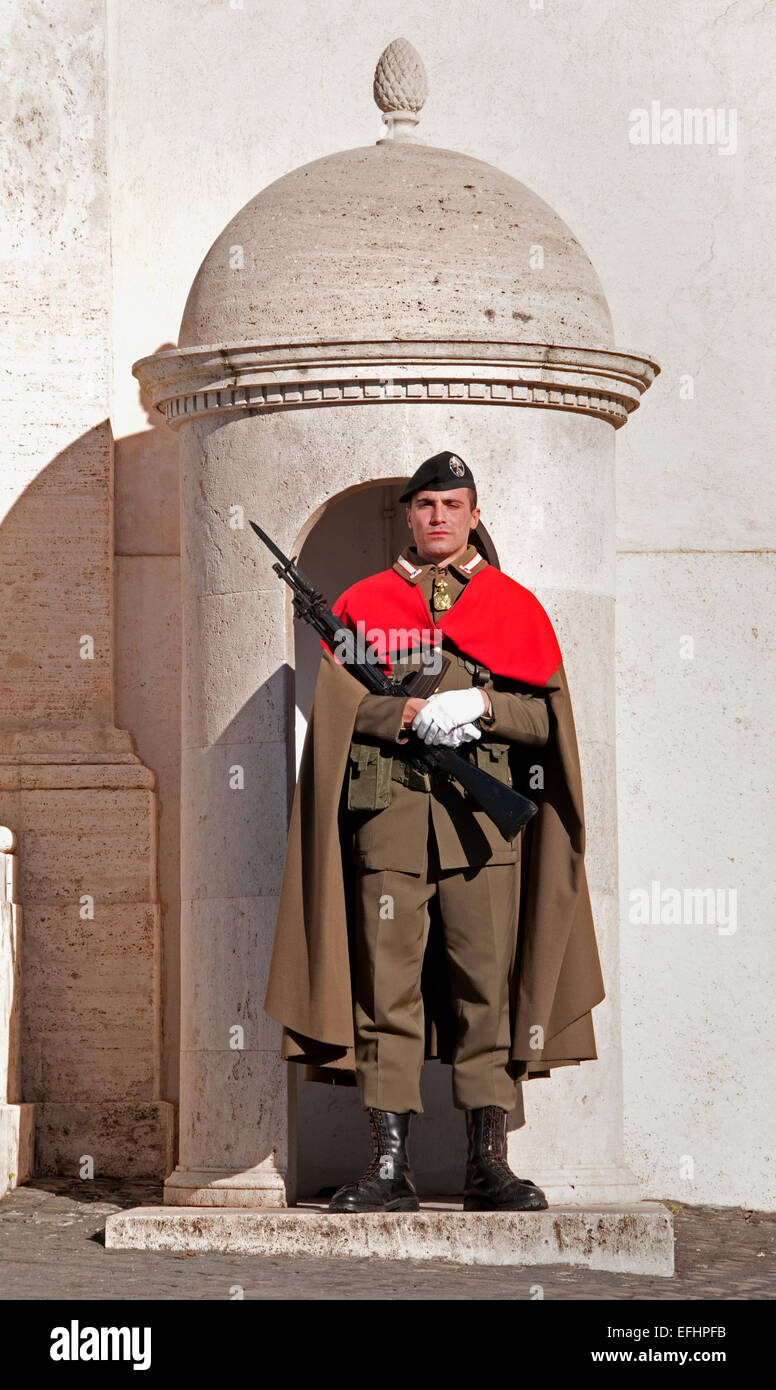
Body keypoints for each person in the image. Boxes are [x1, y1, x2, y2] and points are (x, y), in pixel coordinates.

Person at [263, 450, 605, 1213]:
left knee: (486, 988)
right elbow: (341, 710)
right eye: (425, 506)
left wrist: (482, 707)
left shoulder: (515, 607)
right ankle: (389, 1165)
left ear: (475, 516)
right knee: (388, 992)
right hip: (389, 824)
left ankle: (489, 1161)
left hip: (484, 830)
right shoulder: (364, 603)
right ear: (409, 516)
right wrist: (409, 712)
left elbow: (544, 717)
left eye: (454, 506)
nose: (439, 518)